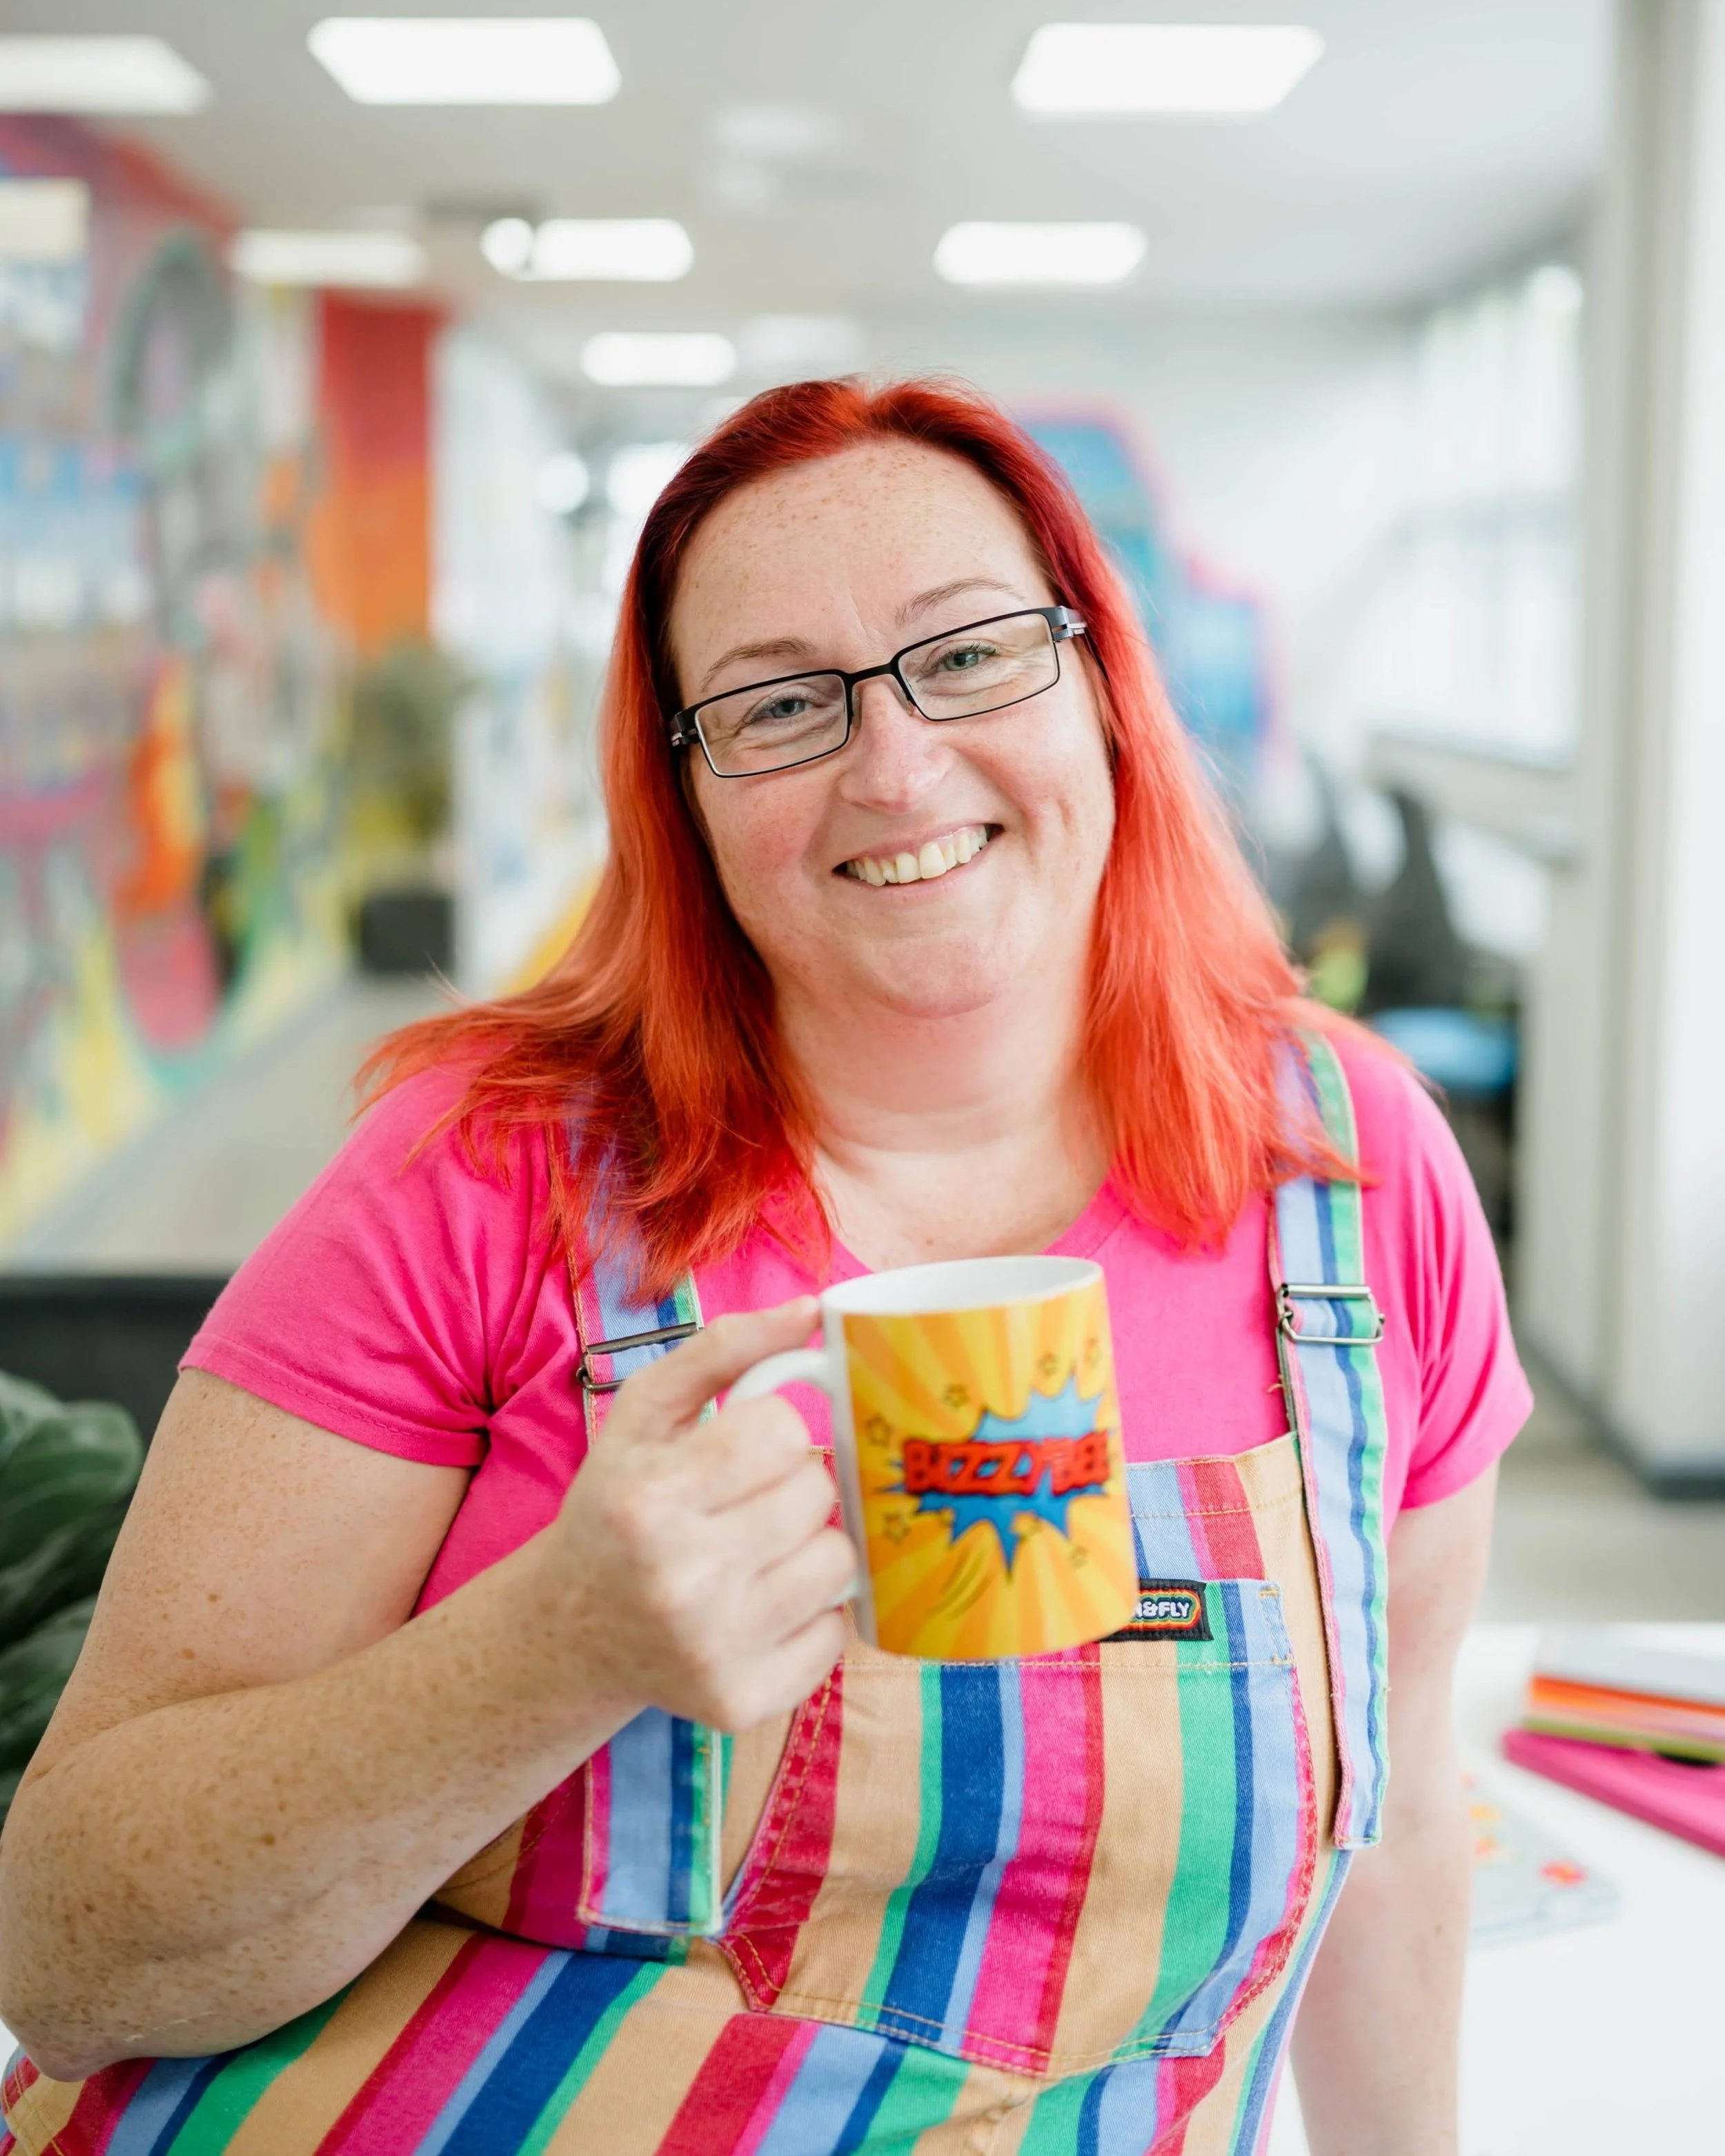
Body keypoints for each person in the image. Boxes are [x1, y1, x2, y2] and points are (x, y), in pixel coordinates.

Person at [0, 379, 1529, 2156]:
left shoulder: (1350, 1181)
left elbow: (1389, 1822)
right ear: (684, 793)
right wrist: (547, 1653)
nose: (894, 767)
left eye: (970, 655)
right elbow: (69, 1954)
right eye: (780, 703)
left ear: (1102, 685)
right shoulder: (476, 1178)